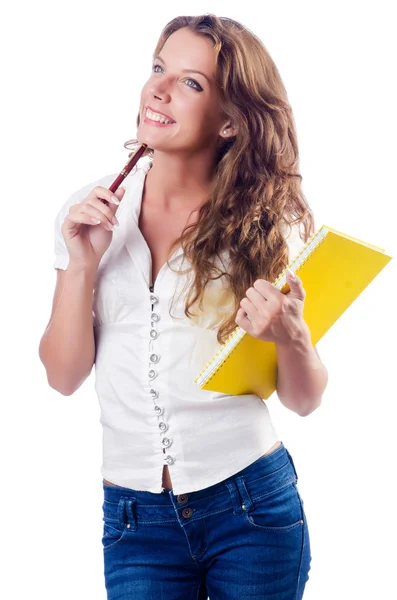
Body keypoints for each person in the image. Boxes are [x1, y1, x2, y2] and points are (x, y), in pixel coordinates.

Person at [39, 13, 328, 600]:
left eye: (191, 83)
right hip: (133, 519)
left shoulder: (263, 231)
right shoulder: (90, 212)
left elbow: (303, 399)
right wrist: (82, 265)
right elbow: (63, 376)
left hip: (250, 506)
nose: (159, 89)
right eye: (158, 69)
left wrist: (293, 336)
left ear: (228, 120)